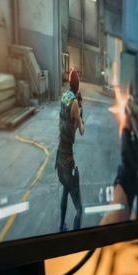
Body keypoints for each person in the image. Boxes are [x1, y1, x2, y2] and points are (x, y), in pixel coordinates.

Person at [56, 67, 85, 231]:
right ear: (78, 85)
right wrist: (81, 112)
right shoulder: (74, 103)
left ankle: (61, 225)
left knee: (65, 191)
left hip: (59, 156)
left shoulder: (65, 96)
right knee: (80, 209)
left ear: (69, 82)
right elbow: (82, 131)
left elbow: (66, 117)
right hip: (68, 160)